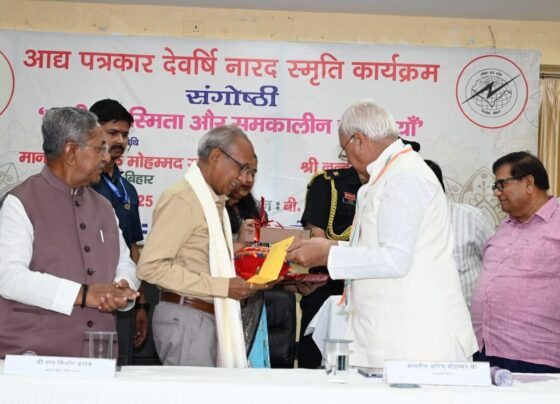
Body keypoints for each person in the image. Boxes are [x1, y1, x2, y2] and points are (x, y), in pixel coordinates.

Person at [287, 99, 478, 369]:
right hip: (396, 337)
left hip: (418, 340)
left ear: (359, 141)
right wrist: (330, 247)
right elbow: (379, 248)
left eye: (344, 151)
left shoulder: (405, 177)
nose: (347, 161)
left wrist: (329, 253)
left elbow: (395, 258)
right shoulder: (389, 174)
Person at [0, 107, 140, 357]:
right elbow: (9, 277)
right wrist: (83, 294)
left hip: (97, 353)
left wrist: (121, 287)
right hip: (34, 356)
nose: (106, 157)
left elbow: (125, 263)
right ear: (72, 152)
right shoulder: (20, 202)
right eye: (100, 148)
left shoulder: (104, 206)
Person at [137, 125, 269, 367]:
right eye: (241, 168)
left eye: (250, 172)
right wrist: (222, 286)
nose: (243, 179)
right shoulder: (184, 198)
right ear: (216, 157)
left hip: (204, 316)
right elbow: (151, 267)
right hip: (188, 317)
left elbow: (202, 259)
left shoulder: (213, 202)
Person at [471, 151, 560, 373]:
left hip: (536, 356)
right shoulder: (505, 227)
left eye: (502, 184)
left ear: (528, 183)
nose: (496, 192)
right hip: (485, 349)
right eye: (495, 186)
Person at [89, 99, 151, 365]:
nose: (120, 140)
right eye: (112, 132)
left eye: (125, 135)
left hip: (124, 293)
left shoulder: (128, 189)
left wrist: (141, 303)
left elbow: (134, 249)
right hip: (88, 293)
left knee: (120, 365)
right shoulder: (81, 183)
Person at [296, 167, 361, 368]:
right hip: (327, 284)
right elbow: (317, 242)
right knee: (312, 365)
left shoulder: (386, 186)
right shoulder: (328, 183)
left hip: (369, 289)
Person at [425, 159, 494, 308]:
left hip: (469, 316)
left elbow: (496, 265)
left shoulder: (471, 218)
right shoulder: (403, 226)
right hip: (426, 313)